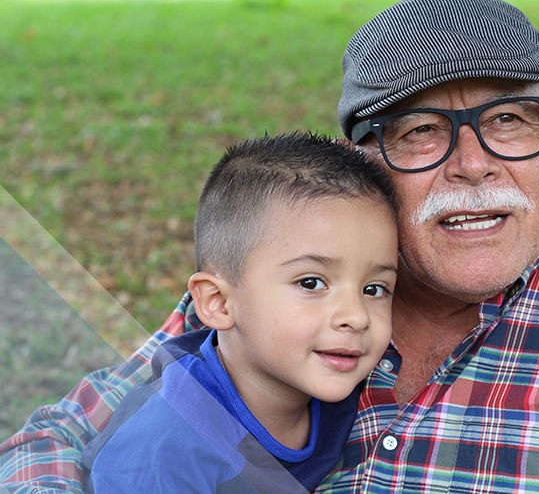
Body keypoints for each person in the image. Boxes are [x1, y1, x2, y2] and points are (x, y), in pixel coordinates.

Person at [2, 0, 539, 493]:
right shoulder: (277, 279)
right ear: (364, 165)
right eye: (421, 131)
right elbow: (57, 436)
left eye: (511, 119)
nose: (475, 162)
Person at [80, 132, 398, 493]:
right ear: (218, 302)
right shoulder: (165, 448)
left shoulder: (336, 400)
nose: (356, 316)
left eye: (374, 289)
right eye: (311, 283)